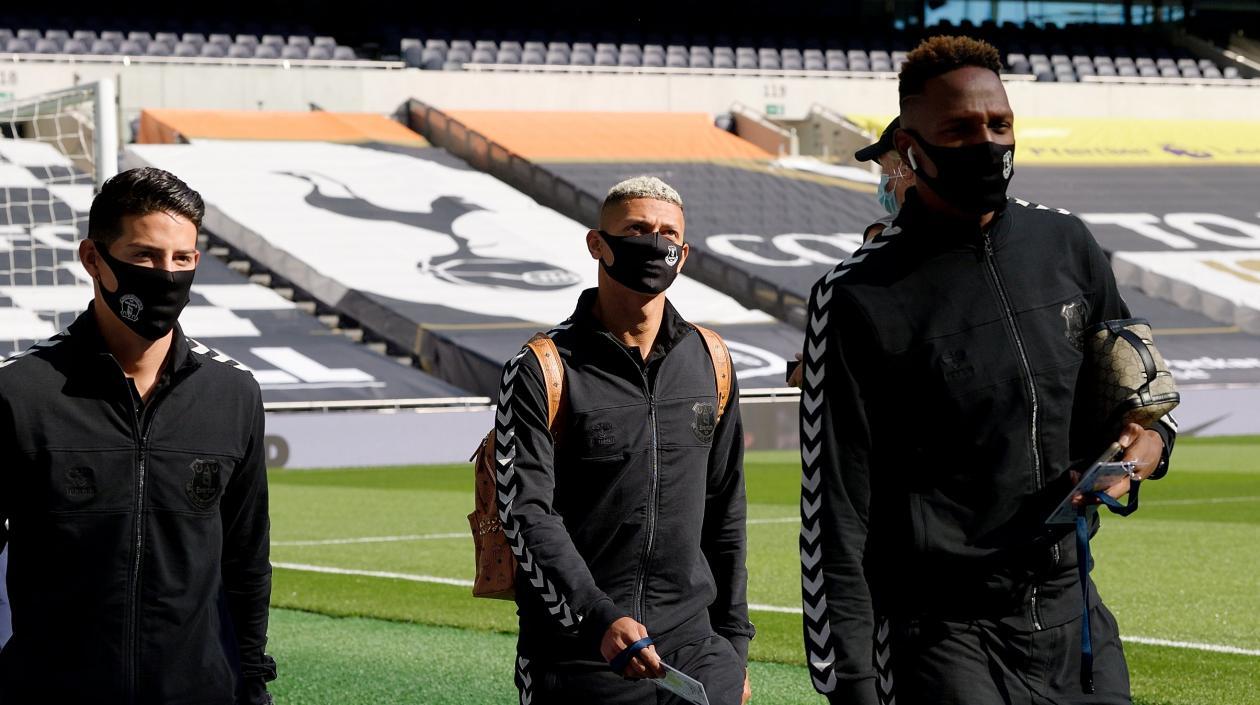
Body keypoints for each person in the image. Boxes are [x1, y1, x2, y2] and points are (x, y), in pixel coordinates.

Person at [797, 36, 1175, 705]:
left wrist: (1145, 445)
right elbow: (835, 509)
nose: (988, 142)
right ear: (912, 148)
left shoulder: (1069, 245)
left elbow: (1137, 405)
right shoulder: (855, 296)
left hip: (1071, 611)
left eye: (999, 125)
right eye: (960, 129)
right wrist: (849, 679)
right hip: (940, 636)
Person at [0, 167, 277, 704]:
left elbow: (246, 559)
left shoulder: (233, 392)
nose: (166, 275)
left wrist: (252, 682)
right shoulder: (19, 392)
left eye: (182, 259)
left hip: (199, 692)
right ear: (93, 259)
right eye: (145, 256)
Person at [494, 176, 755, 704]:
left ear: (684, 254)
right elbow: (526, 513)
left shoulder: (712, 359)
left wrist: (733, 646)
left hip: (697, 649)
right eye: (637, 229)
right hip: (580, 652)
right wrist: (598, 617)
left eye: (668, 234)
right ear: (597, 244)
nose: (654, 243)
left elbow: (726, 513)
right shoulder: (542, 366)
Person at [787, 119, 916, 388]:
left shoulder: (885, 234)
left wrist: (822, 364)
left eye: (886, 171)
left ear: (906, 169)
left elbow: (869, 323)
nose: (883, 183)